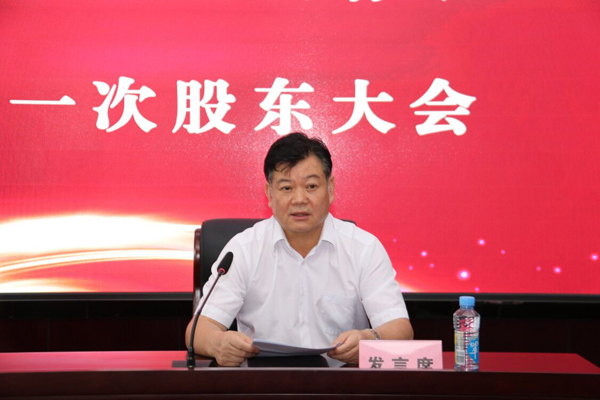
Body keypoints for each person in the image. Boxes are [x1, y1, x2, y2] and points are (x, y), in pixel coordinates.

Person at [185, 132, 413, 366]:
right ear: (269, 194)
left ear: (330, 188)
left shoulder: (363, 248)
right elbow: (199, 329)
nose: (299, 199)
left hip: (341, 383)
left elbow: (400, 328)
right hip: (262, 383)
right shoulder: (243, 249)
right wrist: (218, 343)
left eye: (311, 186)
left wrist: (370, 339)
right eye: (286, 188)